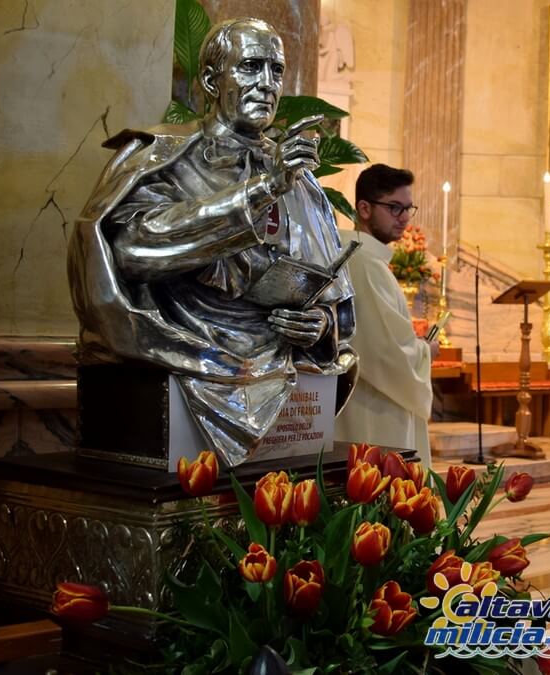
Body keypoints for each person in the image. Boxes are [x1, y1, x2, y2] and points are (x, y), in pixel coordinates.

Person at [68, 18, 358, 467]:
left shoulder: (300, 180)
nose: (267, 84)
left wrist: (317, 324)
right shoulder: (161, 157)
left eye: (276, 71)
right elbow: (130, 250)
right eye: (250, 67)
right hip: (192, 356)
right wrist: (263, 187)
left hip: (281, 374)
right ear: (209, 80)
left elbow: (332, 294)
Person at [333, 164, 435, 465]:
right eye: (394, 208)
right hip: (374, 408)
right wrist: (425, 350)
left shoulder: (366, 260)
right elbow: (386, 353)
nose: (404, 218)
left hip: (371, 400)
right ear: (364, 208)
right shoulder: (365, 265)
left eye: (407, 209)